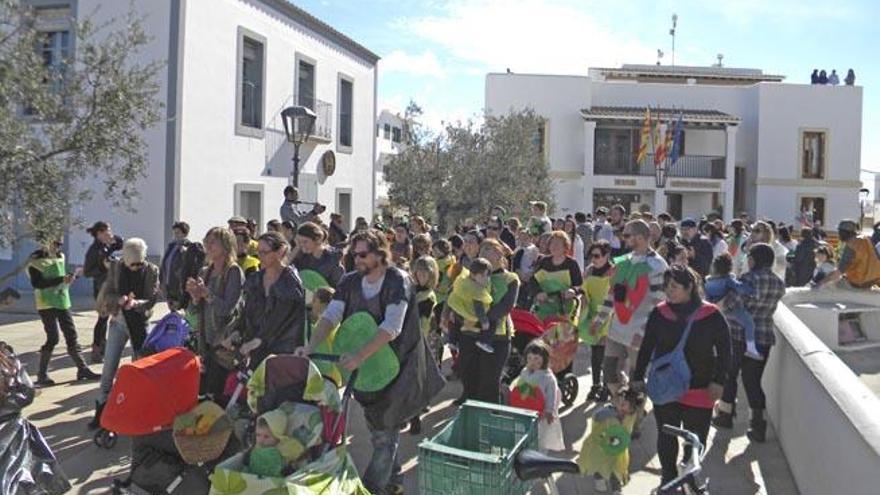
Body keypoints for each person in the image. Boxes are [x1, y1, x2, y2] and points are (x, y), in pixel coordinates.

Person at [296, 230, 444, 495]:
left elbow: (392, 327)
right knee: (380, 425)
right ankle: (395, 480)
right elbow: (331, 315)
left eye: (363, 254)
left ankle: (372, 488)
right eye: (354, 254)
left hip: (399, 365)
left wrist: (359, 356)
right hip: (367, 369)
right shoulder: (350, 281)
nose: (357, 260)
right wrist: (310, 346)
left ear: (380, 253)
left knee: (384, 431)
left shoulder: (398, 281)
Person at [633, 265, 731, 489]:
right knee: (666, 434)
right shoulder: (659, 313)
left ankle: (687, 474)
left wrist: (719, 381)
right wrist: (638, 376)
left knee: (695, 439)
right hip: (666, 387)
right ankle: (668, 478)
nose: (669, 291)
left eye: (674, 286)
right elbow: (647, 346)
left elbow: (726, 351)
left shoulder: (712, 315)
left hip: (700, 388)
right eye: (666, 286)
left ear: (690, 287)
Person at [713, 244, 785, 443]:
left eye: (750, 257)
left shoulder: (747, 280)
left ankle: (725, 415)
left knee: (730, 375)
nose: (747, 260)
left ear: (755, 259)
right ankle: (757, 426)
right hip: (762, 337)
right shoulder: (778, 283)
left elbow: (733, 305)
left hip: (737, 336)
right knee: (753, 382)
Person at [592, 220, 668, 397]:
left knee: (637, 380)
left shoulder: (658, 266)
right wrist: (599, 320)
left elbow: (659, 303)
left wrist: (643, 332)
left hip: (639, 333)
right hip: (616, 330)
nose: (622, 238)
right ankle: (621, 406)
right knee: (609, 373)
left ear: (640, 237)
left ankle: (635, 415)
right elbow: (612, 294)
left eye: (627, 235)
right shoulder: (623, 261)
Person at [91, 238, 159, 427]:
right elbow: (108, 293)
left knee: (138, 370)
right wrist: (120, 300)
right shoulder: (116, 268)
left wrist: (136, 304)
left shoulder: (152, 270)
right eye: (132, 264)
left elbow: (152, 298)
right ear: (125, 261)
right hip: (119, 321)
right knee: (109, 368)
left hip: (140, 321)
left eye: (139, 263)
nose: (136, 268)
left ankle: (134, 409)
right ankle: (101, 410)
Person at [27, 238, 101, 386]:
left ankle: (83, 369)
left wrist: (69, 277)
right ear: (45, 242)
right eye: (56, 244)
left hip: (62, 301)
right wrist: (61, 279)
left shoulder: (60, 256)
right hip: (46, 303)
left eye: (60, 244)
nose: (59, 247)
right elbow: (37, 283)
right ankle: (42, 375)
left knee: (71, 335)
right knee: (53, 338)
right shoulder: (35, 260)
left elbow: (59, 273)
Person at [455, 239, 519, 404]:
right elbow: (457, 298)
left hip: (497, 337)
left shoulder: (510, 278)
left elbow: (505, 307)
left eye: (489, 249)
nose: (484, 251)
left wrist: (481, 318)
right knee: (468, 373)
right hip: (469, 333)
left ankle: (489, 416)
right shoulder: (470, 276)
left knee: (489, 382)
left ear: (499, 253)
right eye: (482, 248)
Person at [187, 227, 243, 400]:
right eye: (207, 241)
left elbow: (228, 309)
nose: (208, 246)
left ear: (226, 246)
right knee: (202, 393)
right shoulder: (205, 271)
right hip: (206, 342)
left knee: (218, 394)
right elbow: (194, 311)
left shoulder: (233, 272)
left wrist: (207, 294)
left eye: (213, 242)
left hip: (223, 344)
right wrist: (195, 297)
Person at [240, 232, 307, 368]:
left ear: (280, 252)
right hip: (256, 351)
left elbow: (279, 318)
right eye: (258, 252)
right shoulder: (255, 280)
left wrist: (257, 341)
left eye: (265, 252)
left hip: (283, 352)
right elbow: (247, 312)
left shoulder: (290, 282)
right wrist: (237, 332)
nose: (260, 256)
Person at [578, 386, 643, 494]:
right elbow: (596, 418)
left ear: (632, 407)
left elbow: (628, 429)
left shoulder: (631, 415)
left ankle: (616, 489)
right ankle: (600, 482)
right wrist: (613, 414)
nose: (620, 406)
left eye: (624, 404)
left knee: (616, 468)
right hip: (601, 445)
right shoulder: (608, 412)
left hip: (617, 447)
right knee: (598, 464)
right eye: (619, 402)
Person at [508, 340, 564, 452]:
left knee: (540, 437)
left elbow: (552, 395)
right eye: (529, 359)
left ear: (544, 359)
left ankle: (539, 456)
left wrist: (549, 411)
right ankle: (523, 451)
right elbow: (520, 388)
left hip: (541, 413)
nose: (532, 362)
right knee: (522, 433)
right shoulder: (525, 372)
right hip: (525, 409)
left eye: (536, 359)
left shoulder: (548, 377)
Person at [706, 254, 761, 359]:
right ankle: (751, 348)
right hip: (730, 311)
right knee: (749, 323)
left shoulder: (709, 281)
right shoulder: (728, 280)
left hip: (714, 310)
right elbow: (739, 287)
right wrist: (752, 291)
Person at [83, 221, 124, 363]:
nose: (109, 234)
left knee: (107, 318)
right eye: (106, 232)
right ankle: (96, 349)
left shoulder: (106, 247)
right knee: (102, 318)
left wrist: (113, 238)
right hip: (101, 289)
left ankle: (103, 346)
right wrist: (103, 267)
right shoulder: (94, 250)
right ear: (99, 234)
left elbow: (120, 244)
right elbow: (87, 272)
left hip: (111, 286)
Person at [579, 240, 613, 403]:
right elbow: (584, 293)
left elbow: (613, 300)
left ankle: (607, 386)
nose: (593, 259)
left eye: (597, 256)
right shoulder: (589, 270)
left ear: (606, 256)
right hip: (592, 314)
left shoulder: (614, 272)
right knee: (595, 354)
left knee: (607, 353)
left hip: (610, 316)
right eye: (591, 255)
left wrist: (601, 321)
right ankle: (595, 385)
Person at [409, 256, 439, 435]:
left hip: (422, 339)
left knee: (419, 378)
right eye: (418, 272)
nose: (421, 275)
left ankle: (416, 417)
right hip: (410, 338)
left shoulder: (428, 296)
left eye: (425, 273)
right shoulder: (412, 289)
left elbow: (423, 322)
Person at [529, 231, 583, 323]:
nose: (554, 246)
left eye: (558, 244)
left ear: (565, 247)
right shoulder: (543, 261)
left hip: (564, 307)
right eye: (552, 243)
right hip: (543, 305)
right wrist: (538, 293)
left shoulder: (572, 264)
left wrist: (573, 290)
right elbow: (533, 281)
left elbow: (579, 284)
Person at [445, 258, 494, 354]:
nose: (486, 278)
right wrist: (484, 321)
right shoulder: (476, 289)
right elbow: (478, 307)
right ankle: (484, 341)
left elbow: (452, 290)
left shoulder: (463, 279)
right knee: (491, 324)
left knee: (455, 321)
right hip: (470, 314)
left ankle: (452, 340)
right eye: (483, 275)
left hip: (458, 308)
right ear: (472, 274)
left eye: (488, 275)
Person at [818, 219, 880, 289]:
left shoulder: (852, 245)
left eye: (840, 231)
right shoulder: (866, 239)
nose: (838, 234)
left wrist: (820, 283)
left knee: (828, 284)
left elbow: (838, 272)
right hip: (872, 280)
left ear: (846, 232)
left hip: (858, 282)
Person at [291, 222, 345, 289]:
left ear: (317, 239)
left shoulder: (333, 260)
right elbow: (284, 267)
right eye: (299, 242)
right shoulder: (302, 258)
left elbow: (340, 288)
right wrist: (297, 247)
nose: (302, 245)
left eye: (305, 242)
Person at [160, 221, 192, 310]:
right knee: (172, 311)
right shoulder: (171, 246)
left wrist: (185, 253)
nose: (175, 235)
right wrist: (161, 280)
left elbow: (189, 266)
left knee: (180, 311)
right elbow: (164, 264)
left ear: (184, 233)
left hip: (179, 286)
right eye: (174, 233)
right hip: (168, 284)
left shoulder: (189, 247)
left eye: (178, 233)